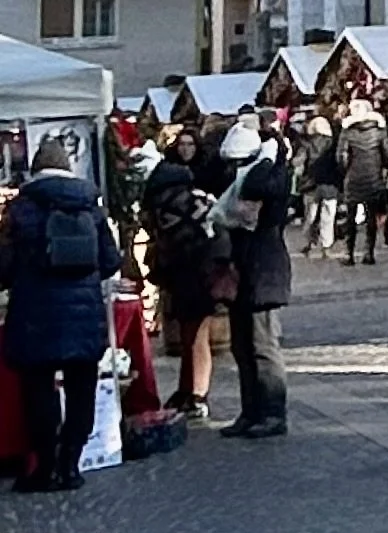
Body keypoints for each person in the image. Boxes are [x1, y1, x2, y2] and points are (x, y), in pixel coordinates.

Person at [0, 132, 121, 491]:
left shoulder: (21, 209)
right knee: (82, 390)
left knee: (39, 392)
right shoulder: (92, 207)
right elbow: (111, 261)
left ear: (36, 170)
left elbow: (3, 268)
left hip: (35, 315)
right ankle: (71, 465)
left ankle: (45, 467)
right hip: (84, 315)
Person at [215, 110, 293, 440]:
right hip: (244, 272)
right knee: (242, 347)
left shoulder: (271, 176)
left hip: (264, 272)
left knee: (263, 346)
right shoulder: (242, 177)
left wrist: (269, 150)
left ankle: (273, 413)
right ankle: (251, 411)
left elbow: (258, 185)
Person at [142, 126, 224, 419]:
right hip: (200, 274)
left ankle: (190, 392)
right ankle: (194, 393)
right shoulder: (194, 200)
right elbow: (216, 228)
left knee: (192, 337)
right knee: (196, 336)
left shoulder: (160, 204)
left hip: (179, 275)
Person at [336, 96, 388, 264]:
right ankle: (369, 252)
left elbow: (341, 156)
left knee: (351, 216)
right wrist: (386, 168)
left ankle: (349, 253)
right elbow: (387, 154)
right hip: (373, 176)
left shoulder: (347, 131)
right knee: (371, 217)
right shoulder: (379, 131)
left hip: (353, 177)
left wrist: (345, 171)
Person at [296, 107, 341, 256]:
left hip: (311, 183)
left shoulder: (306, 144)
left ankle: (308, 242)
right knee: (328, 215)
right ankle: (326, 246)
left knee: (310, 216)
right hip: (330, 181)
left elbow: (299, 162)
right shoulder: (334, 142)